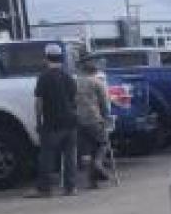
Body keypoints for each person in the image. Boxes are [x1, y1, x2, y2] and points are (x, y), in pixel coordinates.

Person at [27, 44, 78, 197]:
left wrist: (38, 121)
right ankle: (70, 188)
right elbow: (74, 100)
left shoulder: (44, 77)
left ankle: (44, 189)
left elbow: (39, 102)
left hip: (52, 123)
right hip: (71, 122)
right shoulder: (68, 77)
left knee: (46, 156)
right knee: (70, 156)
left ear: (46, 58)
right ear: (61, 57)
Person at [74, 53, 114, 188]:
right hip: (93, 118)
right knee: (103, 144)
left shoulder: (74, 82)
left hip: (78, 120)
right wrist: (107, 119)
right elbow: (104, 103)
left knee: (88, 149)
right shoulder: (97, 82)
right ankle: (98, 163)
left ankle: (92, 181)